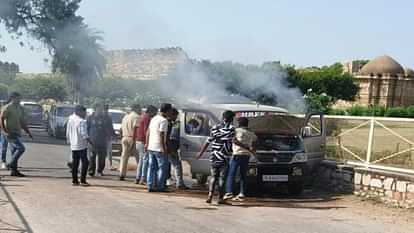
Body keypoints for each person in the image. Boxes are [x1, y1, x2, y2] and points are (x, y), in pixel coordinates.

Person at [196, 110, 235, 204]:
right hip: (224, 156)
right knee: (222, 178)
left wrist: (200, 153)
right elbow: (232, 141)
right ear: (231, 119)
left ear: (223, 117)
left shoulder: (215, 127)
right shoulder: (231, 128)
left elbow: (208, 141)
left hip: (215, 156)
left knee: (213, 177)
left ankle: (210, 196)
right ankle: (220, 198)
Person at [224, 117, 257, 201]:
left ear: (239, 124)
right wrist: (251, 149)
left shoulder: (236, 131)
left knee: (231, 174)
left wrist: (246, 146)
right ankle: (242, 193)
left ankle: (229, 192)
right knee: (243, 175)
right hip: (246, 156)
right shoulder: (251, 133)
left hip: (237, 154)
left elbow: (234, 141)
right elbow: (255, 141)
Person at [0, 92, 33, 177]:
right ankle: (10, 164)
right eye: (18, 98)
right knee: (21, 148)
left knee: (14, 151)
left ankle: (14, 171)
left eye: (20, 98)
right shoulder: (7, 107)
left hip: (17, 132)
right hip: (9, 133)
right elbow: (1, 119)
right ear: (12, 98)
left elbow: (21, 121)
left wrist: (28, 132)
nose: (19, 100)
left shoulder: (18, 108)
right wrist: (5, 131)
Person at [146, 103, 172, 192]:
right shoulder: (164, 121)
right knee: (162, 168)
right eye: (170, 111)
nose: (170, 113)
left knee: (151, 167)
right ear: (167, 111)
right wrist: (163, 148)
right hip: (158, 147)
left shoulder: (154, 118)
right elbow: (161, 134)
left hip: (151, 146)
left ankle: (150, 185)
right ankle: (160, 186)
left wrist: (147, 143)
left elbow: (148, 132)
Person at [66, 105, 91, 186]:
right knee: (85, 162)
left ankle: (75, 180)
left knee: (75, 163)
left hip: (73, 144)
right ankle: (83, 180)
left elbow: (67, 132)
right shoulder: (82, 121)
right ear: (79, 112)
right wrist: (91, 142)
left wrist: (69, 140)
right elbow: (84, 134)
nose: (85, 114)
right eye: (84, 112)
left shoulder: (70, 119)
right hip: (81, 145)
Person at [87, 102, 114, 177]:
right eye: (99, 109)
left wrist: (112, 135)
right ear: (95, 109)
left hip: (103, 141)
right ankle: (91, 170)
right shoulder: (90, 117)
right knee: (92, 157)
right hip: (92, 141)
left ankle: (100, 170)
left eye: (101, 109)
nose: (100, 110)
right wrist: (87, 139)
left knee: (102, 158)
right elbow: (87, 128)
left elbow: (110, 128)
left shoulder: (106, 118)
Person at [135, 105, 158, 185]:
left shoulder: (142, 116)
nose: (155, 114)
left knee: (142, 160)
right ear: (151, 111)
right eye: (154, 112)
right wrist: (147, 142)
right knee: (145, 161)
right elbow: (146, 131)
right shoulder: (147, 118)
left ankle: (138, 177)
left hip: (138, 141)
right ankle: (143, 178)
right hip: (143, 141)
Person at [166, 108, 189, 190]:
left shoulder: (172, 123)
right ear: (172, 114)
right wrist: (172, 151)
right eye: (175, 115)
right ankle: (180, 183)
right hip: (170, 148)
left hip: (166, 148)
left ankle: (165, 181)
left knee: (166, 165)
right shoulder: (171, 124)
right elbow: (168, 138)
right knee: (177, 165)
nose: (176, 117)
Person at [119, 103, 141, 181]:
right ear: (136, 108)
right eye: (139, 108)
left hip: (124, 137)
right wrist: (134, 140)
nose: (140, 110)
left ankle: (122, 174)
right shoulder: (136, 117)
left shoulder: (125, 117)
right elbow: (135, 129)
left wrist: (122, 136)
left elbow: (121, 129)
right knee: (139, 158)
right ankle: (140, 175)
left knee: (124, 157)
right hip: (132, 138)